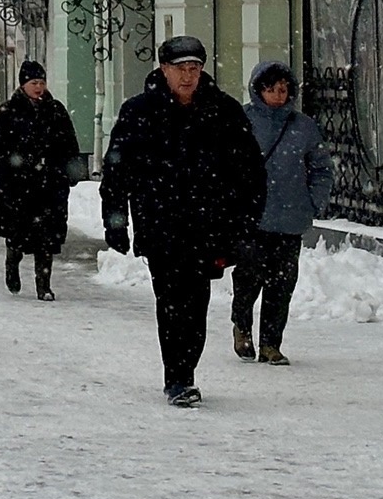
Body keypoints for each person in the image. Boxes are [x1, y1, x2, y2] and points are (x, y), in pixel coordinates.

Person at [101, 34, 267, 407]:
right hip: (160, 225)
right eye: (180, 69)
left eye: (195, 68)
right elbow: (117, 170)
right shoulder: (140, 111)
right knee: (171, 299)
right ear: (163, 70)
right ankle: (178, 376)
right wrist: (115, 220)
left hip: (209, 226)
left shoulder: (223, 111)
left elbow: (250, 172)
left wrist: (245, 225)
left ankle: (185, 367)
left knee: (197, 301)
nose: (188, 76)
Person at [238, 60, 335, 364]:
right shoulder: (242, 120)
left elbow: (321, 169)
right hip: (252, 218)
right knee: (249, 277)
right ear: (258, 90)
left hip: (291, 219)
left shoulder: (303, 126)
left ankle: (270, 343)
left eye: (283, 89)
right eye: (271, 89)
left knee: (281, 284)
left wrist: (313, 202)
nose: (278, 95)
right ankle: (241, 325)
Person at [0, 60, 78, 300]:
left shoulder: (56, 110)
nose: (39, 87)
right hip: (18, 185)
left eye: (42, 82)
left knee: (46, 239)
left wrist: (71, 170)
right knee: (17, 234)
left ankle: (43, 285)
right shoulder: (8, 112)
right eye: (34, 83)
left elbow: (69, 143)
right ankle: (12, 262)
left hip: (50, 183)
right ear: (23, 85)